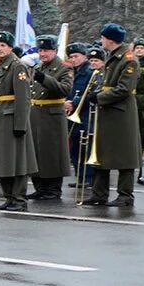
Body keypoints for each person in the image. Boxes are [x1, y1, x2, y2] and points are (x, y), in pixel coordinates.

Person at [81, 24, 142, 207]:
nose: (101, 41)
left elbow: (124, 89)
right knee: (101, 153)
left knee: (124, 155)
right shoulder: (112, 57)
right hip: (107, 111)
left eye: (103, 38)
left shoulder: (128, 59)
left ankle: (125, 196)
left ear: (110, 39)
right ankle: (99, 194)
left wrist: (99, 97)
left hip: (121, 113)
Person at [0, 31, 37, 212]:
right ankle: (8, 197)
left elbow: (23, 98)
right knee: (3, 161)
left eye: (3, 46)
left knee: (17, 162)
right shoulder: (1, 66)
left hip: (12, 119)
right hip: (0, 119)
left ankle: (19, 199)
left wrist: (21, 124)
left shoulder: (17, 67)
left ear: (10, 47)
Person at [27, 35, 73, 200]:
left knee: (52, 154)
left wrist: (44, 78)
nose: (42, 54)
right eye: (40, 50)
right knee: (37, 153)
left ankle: (53, 189)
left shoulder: (64, 67)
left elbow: (64, 89)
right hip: (36, 114)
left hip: (52, 116)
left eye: (46, 50)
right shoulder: (39, 66)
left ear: (54, 50)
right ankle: (39, 187)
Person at [65, 42, 96, 190]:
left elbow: (90, 93)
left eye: (76, 56)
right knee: (75, 148)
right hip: (73, 116)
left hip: (85, 115)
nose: (73, 59)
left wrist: (74, 103)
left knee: (86, 148)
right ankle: (80, 176)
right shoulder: (72, 73)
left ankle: (88, 178)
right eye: (71, 57)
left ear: (84, 56)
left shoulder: (90, 72)